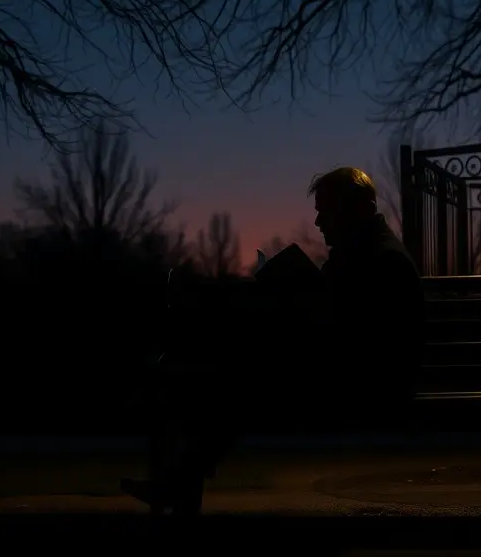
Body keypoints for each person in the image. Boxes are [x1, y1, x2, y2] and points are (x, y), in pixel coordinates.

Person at [122, 166, 426, 513]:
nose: (318, 222)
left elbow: (352, 341)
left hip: (363, 390)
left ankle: (178, 484)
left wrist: (297, 307)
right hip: (350, 379)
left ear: (355, 208)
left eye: (325, 211)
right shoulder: (364, 253)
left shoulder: (379, 261)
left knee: (223, 381)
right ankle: (179, 483)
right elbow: (338, 328)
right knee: (224, 374)